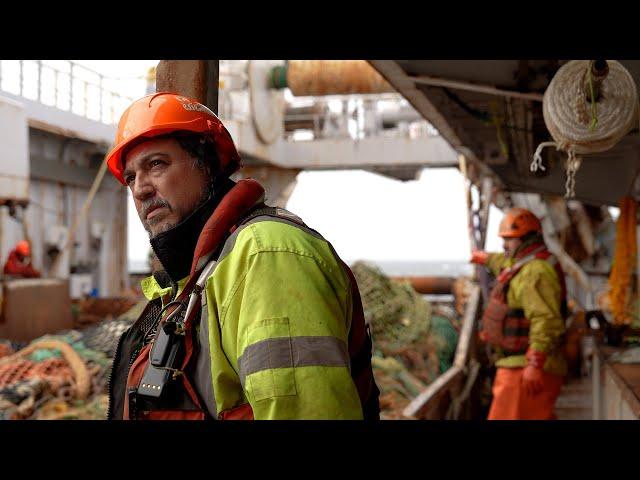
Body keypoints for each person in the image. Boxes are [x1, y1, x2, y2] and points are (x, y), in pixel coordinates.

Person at [106, 92, 379, 420]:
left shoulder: (265, 256)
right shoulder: (192, 281)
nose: (140, 189)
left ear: (206, 163)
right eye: (131, 177)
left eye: (156, 164)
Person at [471, 207, 567, 420]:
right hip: (517, 366)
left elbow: (546, 319)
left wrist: (535, 364)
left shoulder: (536, 272)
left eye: (509, 239)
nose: (504, 245)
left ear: (527, 239)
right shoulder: (523, 263)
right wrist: (484, 258)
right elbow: (505, 263)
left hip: (526, 369)